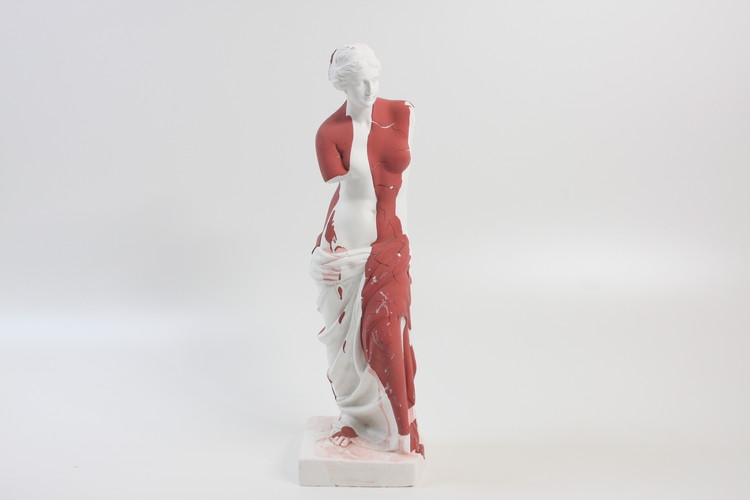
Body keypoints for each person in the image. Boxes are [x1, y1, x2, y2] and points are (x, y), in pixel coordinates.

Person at [309, 44, 423, 456]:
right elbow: (341, 198)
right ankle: (355, 418)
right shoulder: (330, 133)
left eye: (375, 79)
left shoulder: (403, 113)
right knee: (345, 348)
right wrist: (318, 254)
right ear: (343, 85)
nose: (371, 89)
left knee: (388, 335)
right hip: (345, 251)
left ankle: (399, 434)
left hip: (390, 247)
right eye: (360, 82)